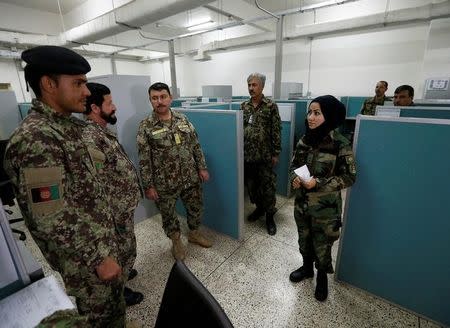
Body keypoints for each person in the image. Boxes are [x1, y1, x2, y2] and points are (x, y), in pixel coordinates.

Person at [3, 46, 126, 327]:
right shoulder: (37, 139)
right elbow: (50, 216)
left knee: (113, 306)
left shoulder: (68, 127)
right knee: (100, 315)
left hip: (98, 240)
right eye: (78, 83)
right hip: (85, 260)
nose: (86, 91)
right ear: (48, 84)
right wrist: (98, 258)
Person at [289, 95, 356, 302]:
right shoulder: (304, 140)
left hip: (326, 210)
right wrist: (295, 179)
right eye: (309, 112)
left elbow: (349, 177)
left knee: (323, 244)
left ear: (330, 115)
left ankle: (322, 279)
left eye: (317, 113)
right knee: (304, 238)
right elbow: (294, 166)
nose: (311, 117)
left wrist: (318, 184)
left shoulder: (340, 144)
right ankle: (307, 268)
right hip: (302, 204)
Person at [137, 82, 212, 261]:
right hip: (164, 184)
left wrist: (202, 167)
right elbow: (144, 159)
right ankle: (176, 241)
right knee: (169, 215)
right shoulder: (145, 126)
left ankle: (194, 233)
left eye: (163, 97)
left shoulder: (183, 119)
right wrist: (148, 186)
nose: (159, 101)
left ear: (170, 98)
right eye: (154, 98)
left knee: (195, 208)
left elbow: (195, 145)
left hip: (190, 177)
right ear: (150, 101)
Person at [84, 82, 143, 306]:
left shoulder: (101, 132)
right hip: (112, 212)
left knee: (126, 244)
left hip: (122, 208)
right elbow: (93, 184)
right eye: (109, 103)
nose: (115, 107)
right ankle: (119, 290)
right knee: (119, 248)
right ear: (96, 108)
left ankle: (125, 271)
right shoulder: (91, 138)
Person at [241, 72, 281, 235]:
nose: (251, 88)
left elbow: (276, 130)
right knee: (252, 186)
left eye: (254, 84)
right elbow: (240, 128)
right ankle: (259, 209)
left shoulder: (271, 106)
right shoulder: (244, 106)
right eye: (249, 85)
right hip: (247, 156)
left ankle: (270, 216)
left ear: (262, 86)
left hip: (264, 156)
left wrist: (276, 152)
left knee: (267, 187)